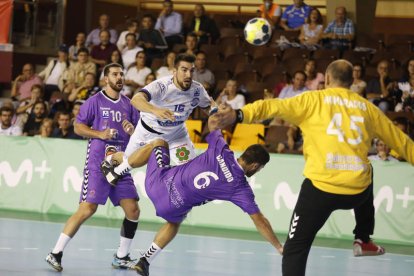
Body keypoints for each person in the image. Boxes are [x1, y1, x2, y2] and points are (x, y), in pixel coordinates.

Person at [217, 59, 414, 276]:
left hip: (320, 189)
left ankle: (361, 238)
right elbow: (402, 142)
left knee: (295, 250)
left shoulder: (313, 100)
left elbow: (272, 105)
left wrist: (239, 114)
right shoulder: (368, 108)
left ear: (327, 79)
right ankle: (363, 238)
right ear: (352, 82)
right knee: (367, 170)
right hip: (356, 191)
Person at [108, 114, 284, 276]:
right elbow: (259, 220)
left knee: (158, 143)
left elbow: (212, 123)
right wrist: (279, 247)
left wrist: (216, 109)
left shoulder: (221, 148)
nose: (259, 170)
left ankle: (117, 172)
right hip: (171, 206)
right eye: (261, 168)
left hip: (157, 183)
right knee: (174, 223)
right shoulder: (240, 187)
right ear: (254, 166)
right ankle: (145, 261)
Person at [45, 63, 141, 272]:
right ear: (106, 79)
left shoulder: (129, 104)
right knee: (87, 208)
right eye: (115, 74)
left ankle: (121, 256)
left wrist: (132, 130)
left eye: (121, 74)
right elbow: (78, 126)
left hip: (120, 164)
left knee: (133, 210)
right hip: (98, 164)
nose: (119, 78)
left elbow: (138, 134)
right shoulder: (94, 101)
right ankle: (55, 253)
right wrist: (100, 134)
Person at [101, 53, 214, 185]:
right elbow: (136, 100)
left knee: (190, 172)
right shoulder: (161, 86)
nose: (188, 75)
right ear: (174, 71)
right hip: (148, 132)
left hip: (176, 134)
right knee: (128, 159)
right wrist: (155, 110)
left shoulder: (197, 89)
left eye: (191, 71)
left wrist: (216, 111)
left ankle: (175, 196)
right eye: (184, 70)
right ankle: (110, 160)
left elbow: (208, 106)